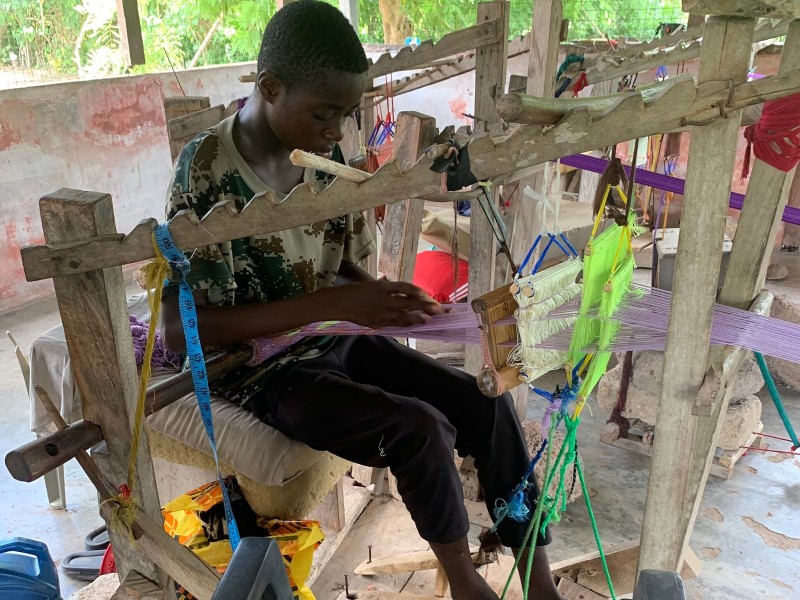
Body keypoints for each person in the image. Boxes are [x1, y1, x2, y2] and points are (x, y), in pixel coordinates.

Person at [161, 2, 564, 599]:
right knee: (419, 427)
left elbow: (341, 267)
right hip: (262, 375)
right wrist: (348, 303)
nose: (339, 132)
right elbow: (180, 330)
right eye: (326, 114)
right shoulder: (207, 171)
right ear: (270, 89)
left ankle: (536, 575)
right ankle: (462, 578)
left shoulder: (325, 162)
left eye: (347, 116)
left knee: (486, 405)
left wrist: (381, 298)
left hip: (335, 342)